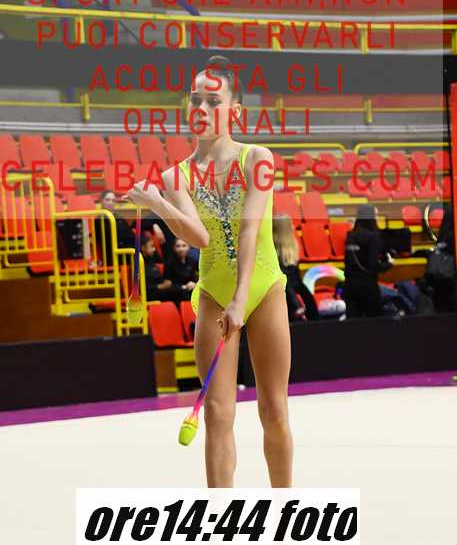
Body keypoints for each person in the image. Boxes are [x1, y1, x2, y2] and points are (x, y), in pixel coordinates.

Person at [124, 54, 293, 488]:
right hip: (214, 291)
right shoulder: (175, 176)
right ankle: (221, 515)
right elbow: (199, 237)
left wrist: (241, 298)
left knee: (273, 408)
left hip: (262, 288)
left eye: (213, 100)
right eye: (195, 99)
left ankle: (286, 506)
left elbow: (250, 228)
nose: (201, 108)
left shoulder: (258, 158)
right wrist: (156, 203)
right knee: (217, 413)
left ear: (234, 110)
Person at [344, 203, 393, 318]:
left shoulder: (350, 236)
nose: (376, 218)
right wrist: (389, 264)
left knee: (353, 322)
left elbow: (347, 262)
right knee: (375, 321)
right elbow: (372, 265)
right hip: (367, 285)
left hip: (350, 285)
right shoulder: (374, 237)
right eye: (375, 215)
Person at [272, 214, 319, 321]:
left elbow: (296, 278)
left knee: (311, 305)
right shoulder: (274, 249)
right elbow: (285, 282)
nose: (294, 227)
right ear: (285, 229)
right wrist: (296, 305)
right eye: (291, 225)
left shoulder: (292, 244)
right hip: (282, 288)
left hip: (293, 284)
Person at [95, 189, 135, 265]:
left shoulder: (119, 218)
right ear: (101, 201)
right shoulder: (99, 220)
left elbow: (130, 234)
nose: (110, 202)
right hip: (113, 255)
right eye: (107, 200)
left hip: (127, 252)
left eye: (113, 200)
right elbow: (111, 237)